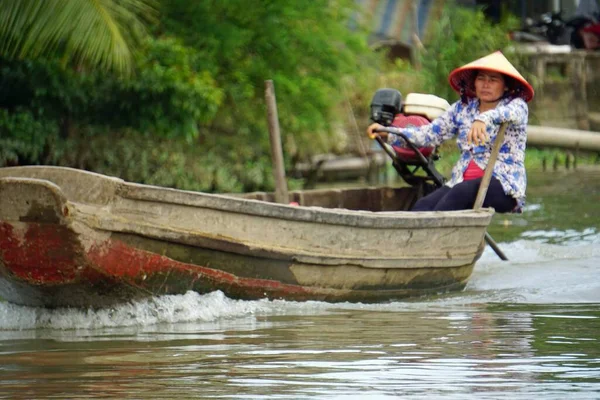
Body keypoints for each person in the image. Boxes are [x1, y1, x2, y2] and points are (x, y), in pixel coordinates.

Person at [367, 51, 534, 212]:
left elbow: (508, 114)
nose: (486, 84)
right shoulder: (463, 109)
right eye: (481, 78)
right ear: (474, 83)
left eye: (493, 80)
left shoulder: (516, 106)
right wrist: (389, 133)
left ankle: (433, 233)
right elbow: (429, 134)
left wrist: (483, 119)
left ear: (505, 86)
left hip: (503, 185)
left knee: (460, 193)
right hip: (461, 182)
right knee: (423, 206)